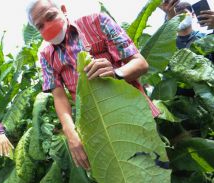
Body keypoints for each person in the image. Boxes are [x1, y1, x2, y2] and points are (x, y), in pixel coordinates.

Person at [26, 0, 159, 170]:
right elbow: (59, 97)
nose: (48, 27)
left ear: (64, 10)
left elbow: (140, 64)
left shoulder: (97, 22)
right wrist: (71, 132)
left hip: (133, 117)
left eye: (50, 16)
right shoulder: (45, 55)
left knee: (151, 173)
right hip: (98, 129)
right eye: (40, 26)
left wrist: (116, 73)